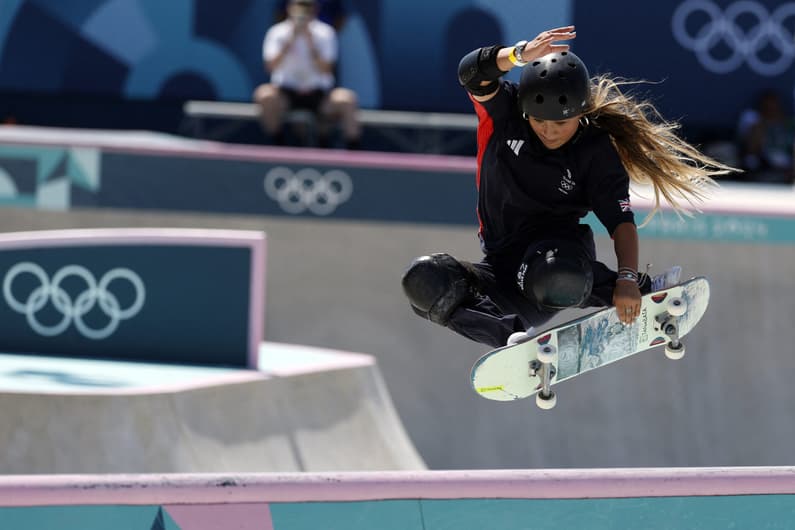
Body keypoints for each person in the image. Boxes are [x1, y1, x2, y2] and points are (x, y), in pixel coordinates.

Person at [401, 26, 735, 348]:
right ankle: (511, 339)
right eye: (539, 121)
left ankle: (649, 291)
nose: (549, 131)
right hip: (500, 269)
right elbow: (471, 73)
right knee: (425, 280)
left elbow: (620, 223)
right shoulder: (504, 114)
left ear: (580, 113)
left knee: (552, 271)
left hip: (559, 267)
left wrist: (628, 278)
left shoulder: (595, 151)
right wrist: (518, 54)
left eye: (560, 122)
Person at [253, 0, 361, 148]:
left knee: (347, 100)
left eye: (307, 6)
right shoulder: (277, 32)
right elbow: (271, 67)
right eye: (299, 5)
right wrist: (291, 40)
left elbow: (326, 69)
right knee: (264, 95)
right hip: (287, 94)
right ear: (289, 8)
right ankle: (278, 145)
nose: (303, 11)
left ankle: (353, 154)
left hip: (319, 95)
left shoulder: (325, 33)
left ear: (315, 9)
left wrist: (311, 43)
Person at [736, 90, 795, 184]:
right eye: (767, 107)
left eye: (774, 106)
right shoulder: (756, 124)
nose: (771, 109)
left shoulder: (789, 125)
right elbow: (751, 151)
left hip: (788, 168)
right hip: (766, 168)